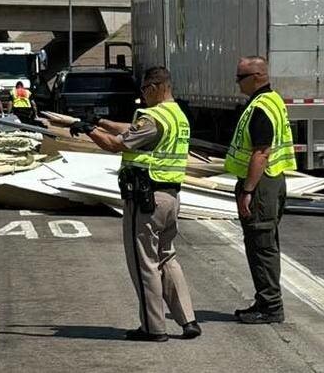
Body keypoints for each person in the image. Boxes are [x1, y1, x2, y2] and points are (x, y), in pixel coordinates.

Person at [70, 66, 200, 343]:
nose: (141, 96)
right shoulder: (176, 115)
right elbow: (133, 130)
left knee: (145, 264)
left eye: (143, 90)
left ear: (154, 88)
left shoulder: (153, 116)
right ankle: (188, 320)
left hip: (145, 198)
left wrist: (90, 130)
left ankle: (153, 328)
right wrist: (101, 122)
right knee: (167, 256)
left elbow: (117, 145)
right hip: (170, 197)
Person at [225, 55, 296, 325]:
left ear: (257, 76)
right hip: (272, 181)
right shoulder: (272, 100)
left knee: (261, 246)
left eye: (240, 77)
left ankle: (270, 306)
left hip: (261, 183)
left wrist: (247, 190)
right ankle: (266, 300)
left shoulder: (261, 107)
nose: (237, 82)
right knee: (263, 245)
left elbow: (261, 153)